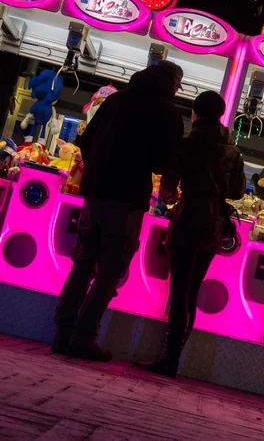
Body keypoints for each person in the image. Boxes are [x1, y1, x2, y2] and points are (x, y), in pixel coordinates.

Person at [52, 61, 185, 361]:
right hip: (126, 200)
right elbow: (164, 164)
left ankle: (61, 333)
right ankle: (83, 337)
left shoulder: (116, 99)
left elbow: (85, 142)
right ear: (173, 84)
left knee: (83, 264)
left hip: (95, 193)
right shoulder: (168, 112)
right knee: (110, 271)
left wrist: (100, 168)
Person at [137, 91, 246, 377]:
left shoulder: (190, 143)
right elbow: (236, 192)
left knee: (179, 290)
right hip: (213, 224)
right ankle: (175, 356)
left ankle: (169, 358)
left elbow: (169, 182)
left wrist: (171, 197)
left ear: (196, 113)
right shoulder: (233, 151)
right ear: (221, 114)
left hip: (188, 217)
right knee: (192, 290)